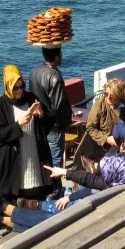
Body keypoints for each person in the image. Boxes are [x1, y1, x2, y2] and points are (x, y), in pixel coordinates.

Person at [1, 121, 125, 232]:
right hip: (106, 205)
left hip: (94, 217)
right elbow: (95, 182)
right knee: (69, 202)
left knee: (54, 218)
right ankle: (15, 220)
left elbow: (93, 183)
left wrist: (66, 176)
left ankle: (14, 213)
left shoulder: (117, 174)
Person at [0, 65, 53, 243]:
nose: (19, 91)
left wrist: (40, 115)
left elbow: (46, 126)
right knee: (5, 197)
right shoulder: (0, 105)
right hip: (13, 160)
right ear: (8, 86)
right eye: (15, 88)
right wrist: (18, 125)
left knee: (34, 195)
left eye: (22, 86)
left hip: (33, 156)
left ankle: (30, 229)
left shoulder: (31, 98)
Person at [27, 46, 72, 175]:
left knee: (43, 159)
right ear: (57, 57)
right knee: (55, 162)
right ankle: (55, 192)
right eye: (61, 54)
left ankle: (48, 189)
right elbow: (58, 106)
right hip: (54, 126)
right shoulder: (55, 76)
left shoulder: (34, 72)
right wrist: (65, 122)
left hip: (39, 123)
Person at [76, 77, 125, 165]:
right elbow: (90, 128)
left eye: (112, 96)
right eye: (106, 94)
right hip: (102, 146)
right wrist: (106, 139)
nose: (108, 98)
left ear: (121, 96)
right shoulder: (99, 105)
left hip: (123, 144)